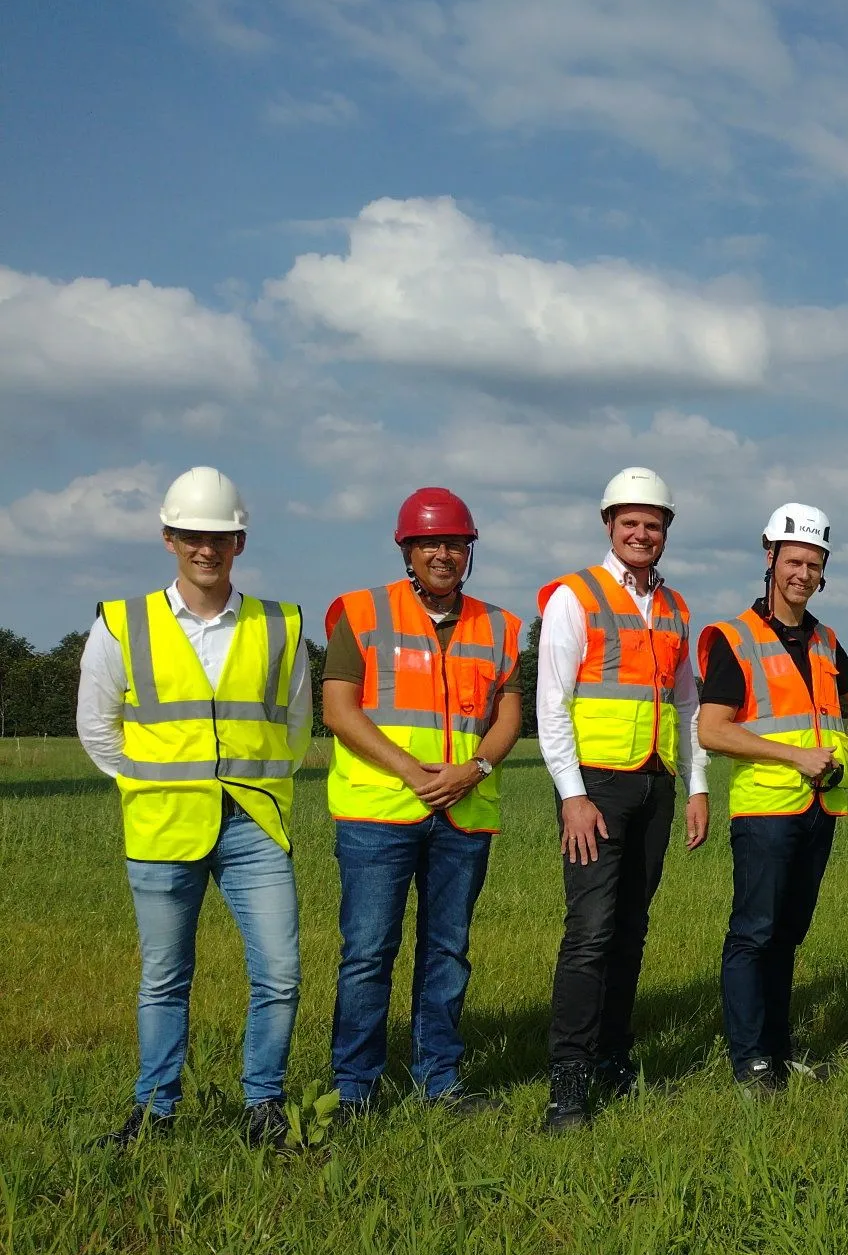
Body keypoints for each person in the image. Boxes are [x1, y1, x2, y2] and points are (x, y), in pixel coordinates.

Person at [76, 467, 309, 1147]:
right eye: (192, 536)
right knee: (164, 977)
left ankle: (263, 1104)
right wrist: (146, 784)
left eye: (221, 536)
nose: (206, 548)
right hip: (161, 825)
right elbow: (97, 724)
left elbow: (295, 728)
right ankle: (154, 1111)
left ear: (239, 541)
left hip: (254, 824)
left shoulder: (281, 624)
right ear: (169, 538)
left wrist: (254, 783)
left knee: (280, 972)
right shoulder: (123, 624)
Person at [318, 489, 522, 1116]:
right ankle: (355, 1088)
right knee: (368, 952)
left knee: (448, 952)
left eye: (455, 544)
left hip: (463, 814)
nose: (443, 554)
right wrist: (412, 771)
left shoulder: (500, 626)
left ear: (469, 552)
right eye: (430, 543)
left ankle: (440, 1080)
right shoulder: (361, 613)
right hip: (379, 814)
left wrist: (475, 768)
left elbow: (508, 717)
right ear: (407, 550)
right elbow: (338, 709)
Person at [537, 467, 711, 1132]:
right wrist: (573, 797)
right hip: (595, 787)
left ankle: (613, 1058)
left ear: (666, 530)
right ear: (609, 525)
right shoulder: (574, 597)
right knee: (589, 936)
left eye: (654, 523)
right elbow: (552, 703)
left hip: (654, 782)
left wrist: (695, 786)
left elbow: (687, 701)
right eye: (630, 522)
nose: (642, 533)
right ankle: (568, 1088)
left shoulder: (673, 607)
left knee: (631, 933)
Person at [697, 503, 848, 1091]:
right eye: (795, 560)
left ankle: (778, 1048)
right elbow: (712, 729)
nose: (804, 574)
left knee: (788, 934)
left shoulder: (826, 639)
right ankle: (750, 1059)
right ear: (770, 558)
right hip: (766, 812)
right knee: (753, 933)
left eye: (815, 564)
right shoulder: (734, 637)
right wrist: (796, 757)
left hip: (819, 811)